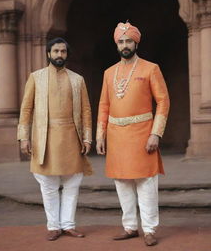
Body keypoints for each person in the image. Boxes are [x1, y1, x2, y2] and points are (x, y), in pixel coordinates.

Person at [96, 22, 170, 246]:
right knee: (122, 182)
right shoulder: (109, 73)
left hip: (142, 134)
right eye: (121, 41)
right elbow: (103, 105)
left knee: (146, 182)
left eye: (129, 41)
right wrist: (100, 135)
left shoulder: (150, 68)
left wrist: (156, 134)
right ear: (116, 44)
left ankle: (149, 229)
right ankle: (129, 227)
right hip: (116, 135)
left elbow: (163, 101)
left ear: (136, 42)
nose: (125, 45)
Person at [17, 37, 92, 241]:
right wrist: (24, 137)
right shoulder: (36, 77)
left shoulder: (77, 79)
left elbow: (86, 110)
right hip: (45, 139)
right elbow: (26, 109)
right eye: (56, 51)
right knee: (48, 185)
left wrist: (87, 139)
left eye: (63, 51)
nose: (60, 55)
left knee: (72, 183)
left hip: (71, 137)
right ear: (48, 54)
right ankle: (53, 226)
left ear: (67, 54)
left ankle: (68, 225)